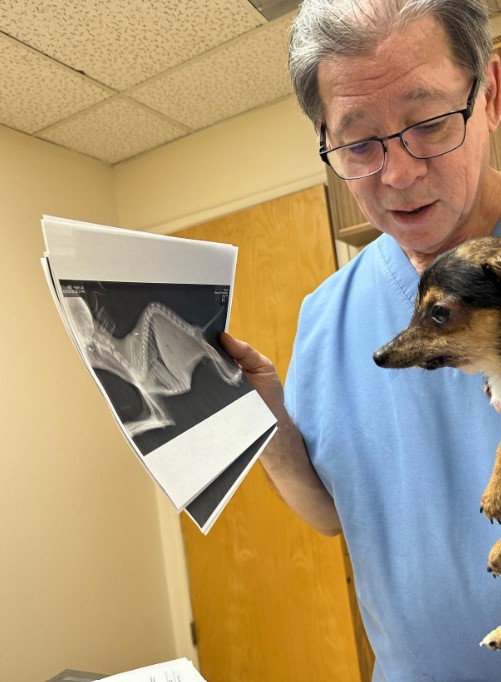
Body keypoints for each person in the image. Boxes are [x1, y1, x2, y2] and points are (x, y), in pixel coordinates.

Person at [221, 0, 501, 680]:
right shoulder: (326, 315)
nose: (398, 174)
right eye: (357, 143)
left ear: (490, 95)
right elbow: (333, 514)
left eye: (429, 123)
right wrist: (263, 426)